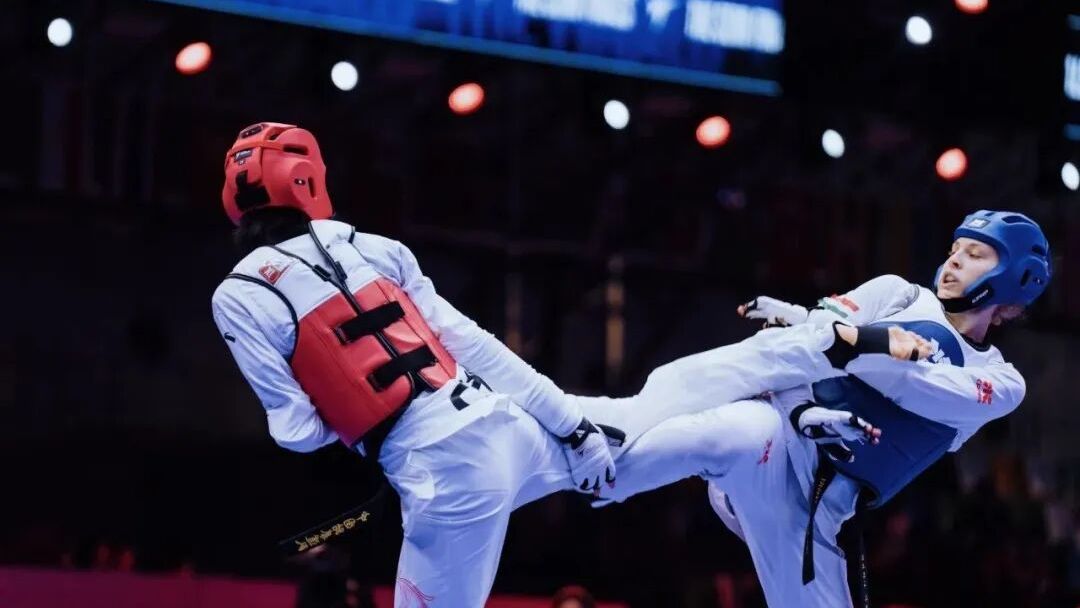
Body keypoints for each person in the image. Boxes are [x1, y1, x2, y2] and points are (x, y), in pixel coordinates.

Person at [209, 123, 921, 607]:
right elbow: (477, 346)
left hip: (441, 475)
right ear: (310, 183)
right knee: (639, 423)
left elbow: (294, 431)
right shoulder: (379, 249)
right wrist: (571, 426)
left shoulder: (238, 295)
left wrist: (358, 418)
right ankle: (788, 385)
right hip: (506, 422)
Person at [576, 209, 1052, 607]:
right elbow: (816, 344)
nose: (954, 262)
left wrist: (836, 338)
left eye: (975, 255)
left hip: (815, 518)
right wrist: (828, 336)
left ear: (1015, 279)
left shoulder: (1002, 382)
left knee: (802, 350)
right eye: (954, 249)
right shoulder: (898, 293)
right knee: (713, 433)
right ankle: (590, 465)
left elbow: (909, 387)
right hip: (777, 441)